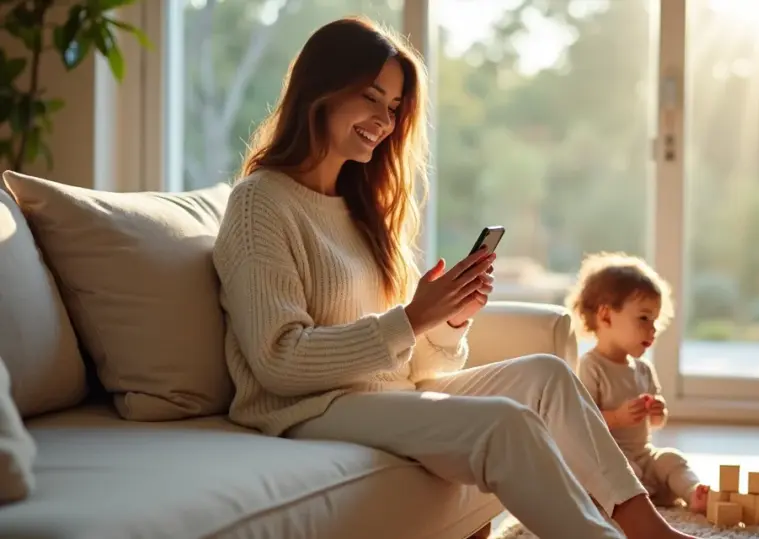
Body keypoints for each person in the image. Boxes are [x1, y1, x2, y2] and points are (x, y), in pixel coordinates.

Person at [212, 15, 703, 539]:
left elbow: (414, 362)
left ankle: (650, 529)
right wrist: (412, 317)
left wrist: (447, 324)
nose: (385, 119)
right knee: (503, 423)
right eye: (372, 97)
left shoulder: (363, 211)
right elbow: (278, 361)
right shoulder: (260, 202)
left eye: (395, 107)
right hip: (306, 409)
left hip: (384, 394)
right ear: (322, 89)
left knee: (547, 374)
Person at [565, 253, 710, 514]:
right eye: (643, 318)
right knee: (624, 473)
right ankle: (634, 502)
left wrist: (658, 412)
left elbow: (656, 423)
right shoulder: (592, 366)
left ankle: (693, 494)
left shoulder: (643, 369)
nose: (652, 329)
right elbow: (582, 422)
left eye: (654, 321)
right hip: (609, 459)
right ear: (606, 316)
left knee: (671, 459)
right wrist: (617, 417)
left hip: (643, 455)